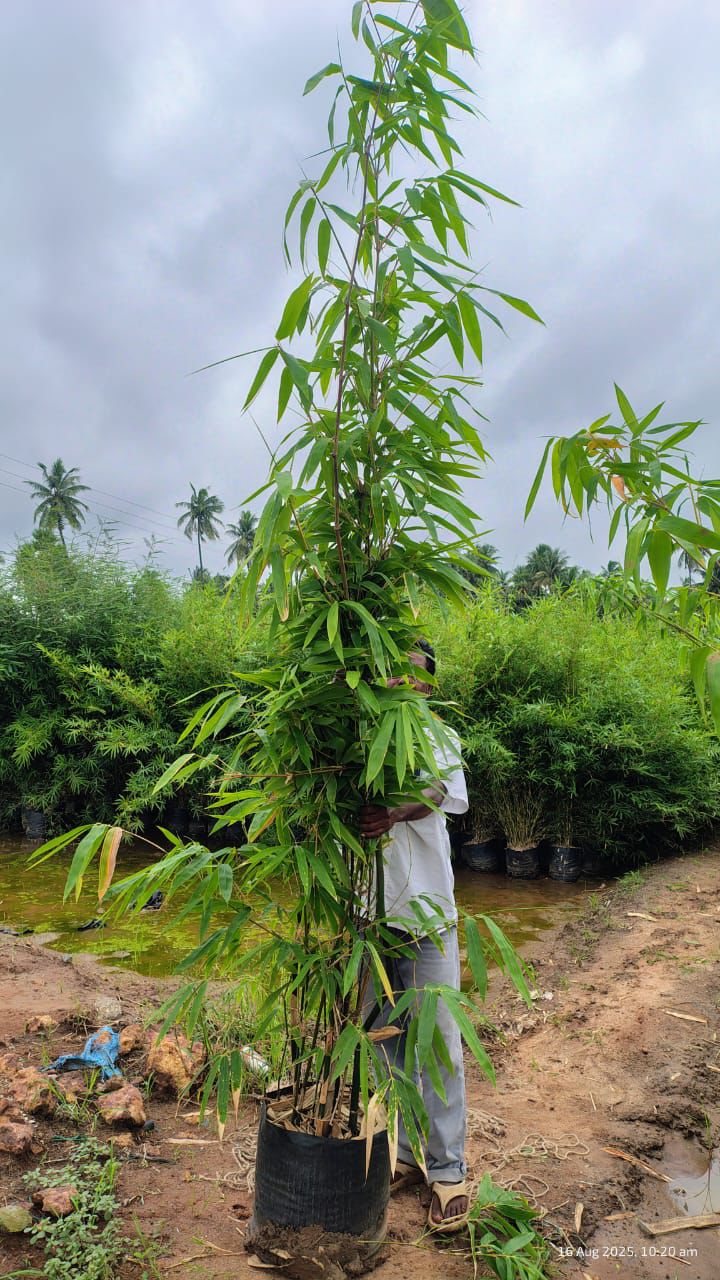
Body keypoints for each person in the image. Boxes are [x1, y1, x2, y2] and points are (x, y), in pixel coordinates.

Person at [358, 642, 470, 1233]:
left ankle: (448, 1170)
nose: (405, 681)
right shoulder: (359, 739)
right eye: (394, 670)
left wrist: (395, 810)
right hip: (371, 920)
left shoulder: (439, 739)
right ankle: (404, 1156)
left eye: (417, 674)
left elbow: (438, 795)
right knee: (386, 1044)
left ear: (429, 687)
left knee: (439, 1043)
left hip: (428, 916)